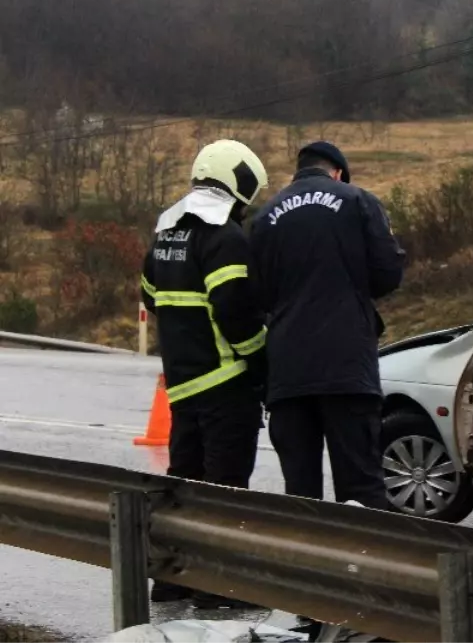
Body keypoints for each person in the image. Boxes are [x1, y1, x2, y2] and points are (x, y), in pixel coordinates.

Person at [140, 139, 270, 608]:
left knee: (182, 482)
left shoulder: (167, 230)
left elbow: (151, 295)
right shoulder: (225, 237)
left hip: (183, 381)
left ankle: (173, 580)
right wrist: (260, 365)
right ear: (239, 183)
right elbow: (236, 312)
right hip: (224, 381)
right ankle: (222, 589)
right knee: (226, 488)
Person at [250, 141, 406, 510]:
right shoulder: (357, 201)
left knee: (301, 491)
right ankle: (364, 564)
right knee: (362, 488)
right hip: (346, 366)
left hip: (288, 370)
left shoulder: (266, 215)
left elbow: (256, 293)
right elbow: (388, 273)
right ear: (337, 172)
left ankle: (304, 564)